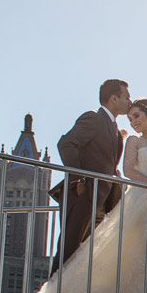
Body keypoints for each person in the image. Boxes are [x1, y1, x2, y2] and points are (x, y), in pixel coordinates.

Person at [29, 96, 147, 293]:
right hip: (142, 201)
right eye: (130, 119)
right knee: (140, 250)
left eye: (137, 116)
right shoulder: (134, 142)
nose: (133, 122)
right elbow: (129, 171)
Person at [52, 79, 132, 268]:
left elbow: (107, 163)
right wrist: (80, 179)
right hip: (84, 195)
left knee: (88, 254)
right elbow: (66, 144)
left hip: (103, 201)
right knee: (69, 251)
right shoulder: (93, 119)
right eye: (126, 96)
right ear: (114, 99)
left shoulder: (114, 128)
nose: (130, 101)